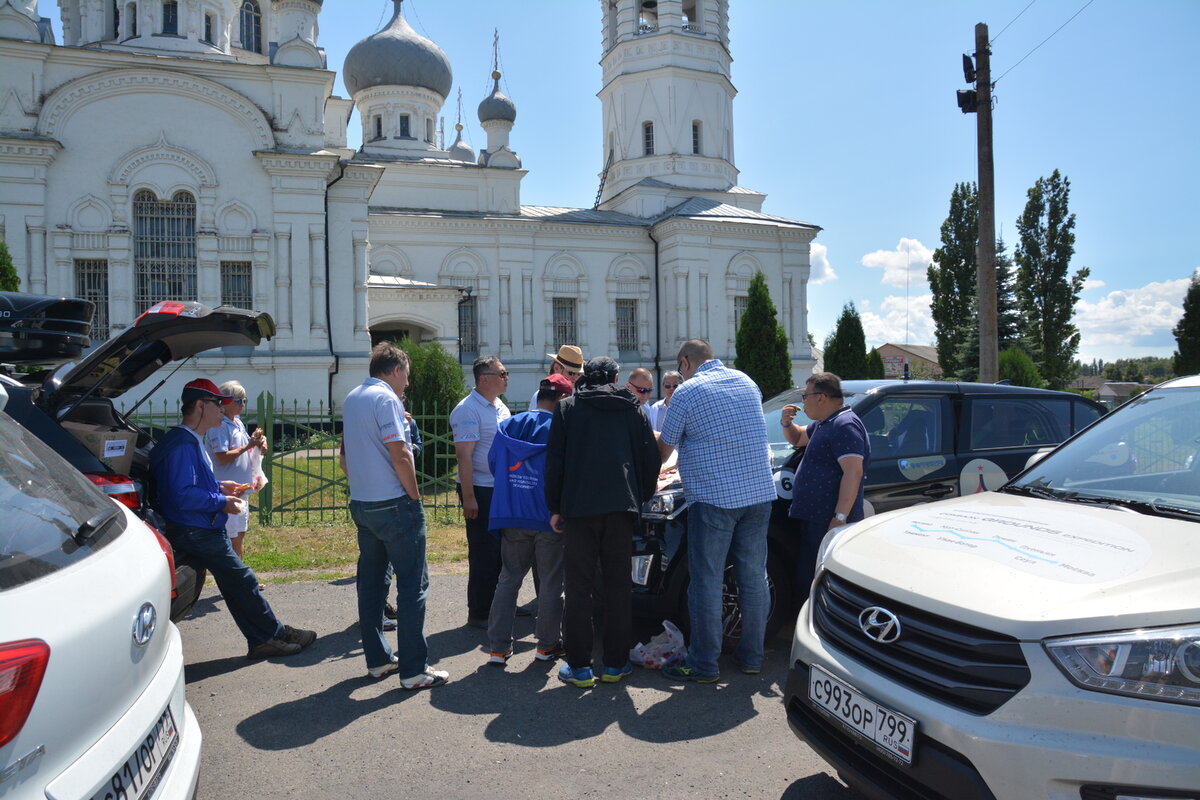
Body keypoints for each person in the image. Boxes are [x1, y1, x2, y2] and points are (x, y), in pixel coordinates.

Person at [150, 379, 316, 660]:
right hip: (196, 529)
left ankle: (266, 636)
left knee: (236, 583)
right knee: (243, 579)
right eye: (217, 403)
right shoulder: (183, 444)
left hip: (197, 526)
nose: (223, 407)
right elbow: (181, 496)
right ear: (201, 406)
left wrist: (219, 487)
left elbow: (191, 486)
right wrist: (221, 501)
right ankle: (272, 636)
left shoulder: (189, 440)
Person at [658, 339, 775, 682]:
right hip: (757, 494)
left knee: (706, 582)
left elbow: (666, 449)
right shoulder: (747, 382)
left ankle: (704, 664)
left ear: (684, 363)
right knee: (754, 579)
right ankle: (753, 657)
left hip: (714, 498)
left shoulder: (687, 391)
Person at [545, 357, 661, 688]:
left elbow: (555, 463)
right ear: (614, 377)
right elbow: (649, 459)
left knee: (579, 588)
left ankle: (580, 666)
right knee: (618, 588)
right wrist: (639, 497)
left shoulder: (568, 408)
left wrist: (555, 506)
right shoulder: (633, 408)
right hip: (621, 509)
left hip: (579, 510)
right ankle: (615, 663)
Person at [341, 342, 448, 689]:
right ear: (397, 369)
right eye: (407, 376)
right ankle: (414, 670)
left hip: (363, 503)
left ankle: (378, 660)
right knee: (413, 586)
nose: (408, 385)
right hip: (394, 503)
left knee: (371, 584)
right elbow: (400, 453)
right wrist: (414, 497)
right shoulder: (387, 399)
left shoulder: (353, 397)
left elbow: (344, 459)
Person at [485, 373, 575, 666]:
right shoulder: (562, 429)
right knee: (550, 583)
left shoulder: (509, 424)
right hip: (548, 517)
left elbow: (493, 463)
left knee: (508, 579)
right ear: (562, 399)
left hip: (511, 512)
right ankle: (547, 645)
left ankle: (498, 648)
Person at [781, 371, 869, 595]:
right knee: (809, 576)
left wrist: (839, 518)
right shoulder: (825, 423)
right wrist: (786, 423)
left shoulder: (844, 425)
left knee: (822, 581)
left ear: (820, 397)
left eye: (805, 396)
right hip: (815, 518)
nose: (803, 402)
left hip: (828, 520)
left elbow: (853, 472)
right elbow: (799, 438)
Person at [450, 355, 512, 629]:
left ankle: (500, 605)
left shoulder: (500, 407)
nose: (506, 377)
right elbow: (465, 457)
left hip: (499, 488)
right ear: (484, 378)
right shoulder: (467, 410)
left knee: (502, 551)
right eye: (501, 373)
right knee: (483, 553)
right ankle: (479, 612)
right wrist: (470, 497)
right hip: (480, 489)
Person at [204, 380, 266, 559]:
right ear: (224, 401)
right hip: (228, 491)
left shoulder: (237, 422)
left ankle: (241, 573)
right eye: (238, 401)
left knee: (239, 534)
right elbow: (222, 458)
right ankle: (239, 576)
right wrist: (249, 445)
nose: (243, 405)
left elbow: (249, 446)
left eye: (244, 400)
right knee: (231, 537)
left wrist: (259, 444)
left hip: (241, 489)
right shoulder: (219, 426)